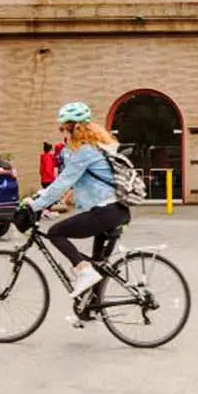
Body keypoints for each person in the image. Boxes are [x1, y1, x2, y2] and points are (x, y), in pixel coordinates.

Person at [24, 102, 130, 299]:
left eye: (64, 127)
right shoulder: (100, 148)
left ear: (76, 127)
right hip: (117, 210)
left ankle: (83, 270)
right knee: (99, 266)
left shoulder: (86, 152)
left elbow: (63, 181)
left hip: (105, 211)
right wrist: (40, 197)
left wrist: (35, 205)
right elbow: (67, 183)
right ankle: (90, 309)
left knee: (56, 232)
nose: (63, 132)